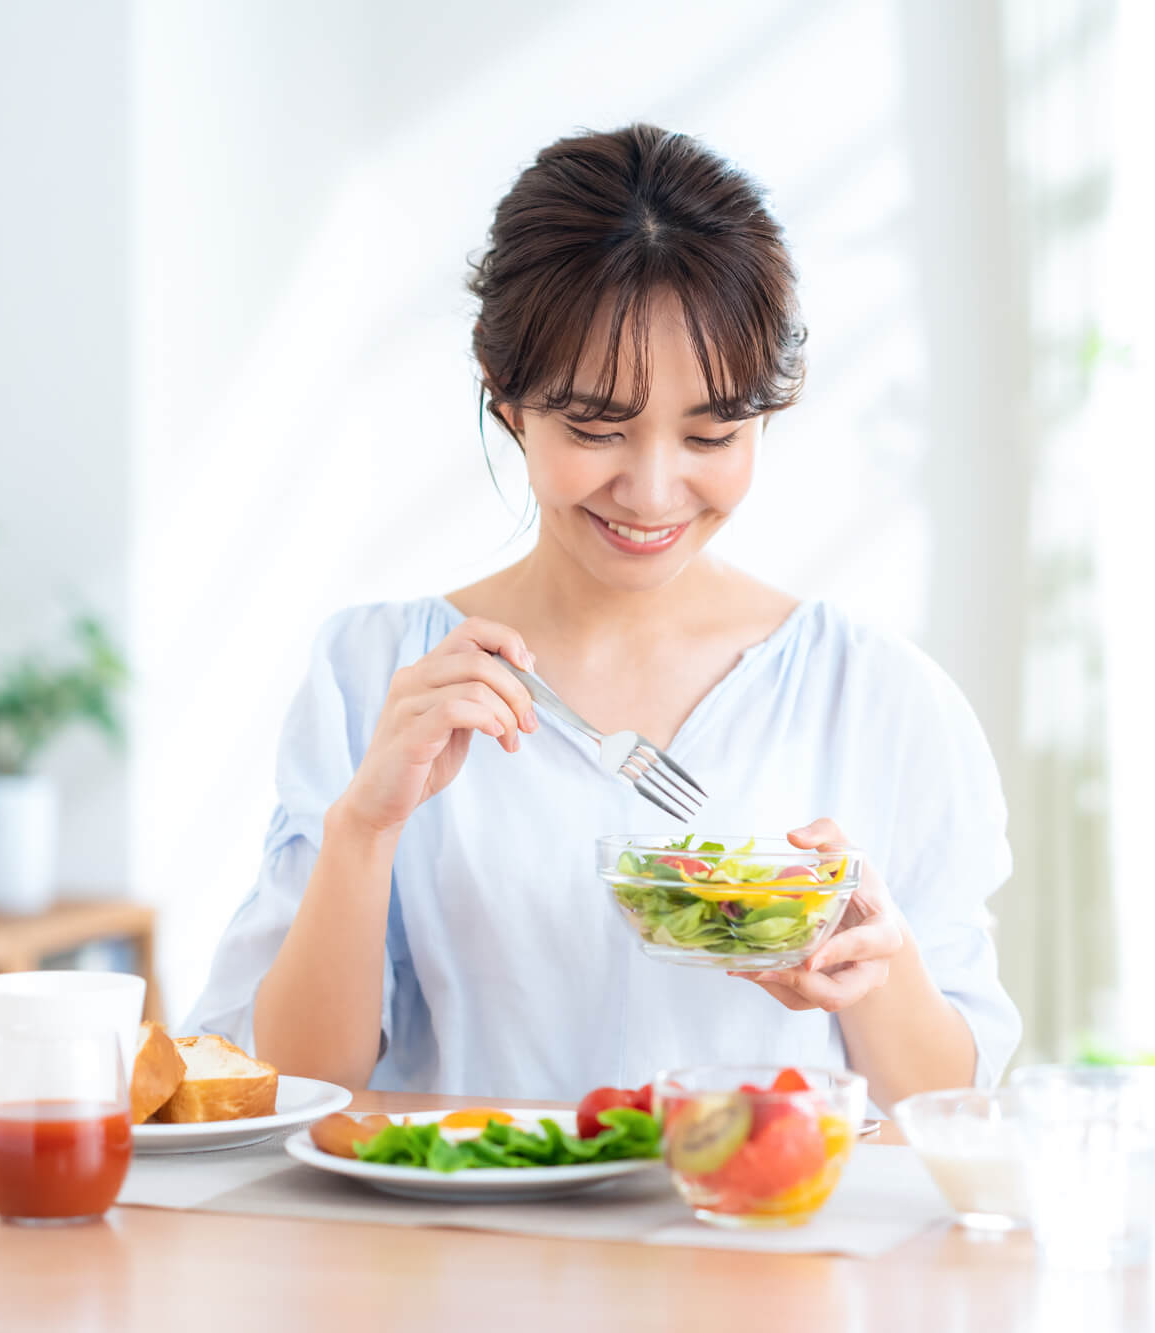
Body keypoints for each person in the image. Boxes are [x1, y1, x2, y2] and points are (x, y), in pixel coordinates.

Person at [187, 124, 1018, 1110]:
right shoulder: (374, 672)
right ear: (507, 401)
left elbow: (947, 1107)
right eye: (595, 429)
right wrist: (366, 826)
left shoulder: (875, 695)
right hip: (455, 1254)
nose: (654, 489)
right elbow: (297, 1083)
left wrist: (877, 971)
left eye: (712, 432)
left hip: (750, 1248)